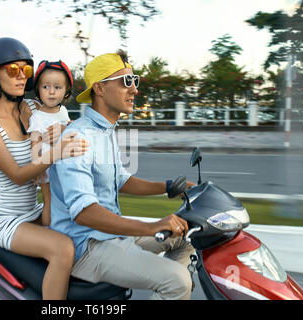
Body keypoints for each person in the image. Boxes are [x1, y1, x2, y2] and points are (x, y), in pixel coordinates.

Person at [48, 50, 196, 300]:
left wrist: (169, 187)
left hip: (111, 235)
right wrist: (152, 227)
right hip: (88, 246)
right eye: (126, 82)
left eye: (135, 81)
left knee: (187, 236)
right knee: (178, 281)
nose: (135, 90)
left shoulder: (105, 131)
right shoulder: (78, 137)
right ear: (100, 89)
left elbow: (121, 181)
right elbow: (84, 213)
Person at [0, 37, 89, 300]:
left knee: (85, 226)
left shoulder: (34, 108)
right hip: (3, 219)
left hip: (33, 210)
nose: (21, 76)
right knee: (62, 248)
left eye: (26, 70)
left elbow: (65, 119)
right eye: (12, 70)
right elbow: (16, 176)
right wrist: (56, 152)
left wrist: (66, 128)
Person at [27, 60, 73, 226]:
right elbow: (35, 142)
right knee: (50, 201)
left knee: (64, 200)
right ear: (38, 89)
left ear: (66, 91)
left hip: (64, 165)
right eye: (46, 87)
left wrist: (65, 127)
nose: (51, 92)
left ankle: (64, 229)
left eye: (57, 87)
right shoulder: (37, 117)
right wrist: (36, 166)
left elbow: (69, 129)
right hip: (46, 167)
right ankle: (48, 232)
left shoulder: (63, 111)